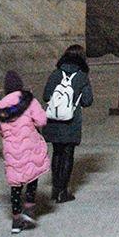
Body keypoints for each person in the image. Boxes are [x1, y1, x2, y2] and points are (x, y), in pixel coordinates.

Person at [0, 71, 50, 234]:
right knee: (32, 176)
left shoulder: (1, 106)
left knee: (15, 185)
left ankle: (16, 221)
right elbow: (42, 120)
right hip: (30, 146)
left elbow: (0, 129)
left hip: (12, 150)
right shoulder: (29, 101)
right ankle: (29, 209)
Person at [43, 44, 93, 203]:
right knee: (68, 154)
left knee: (57, 153)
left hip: (54, 120)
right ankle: (63, 191)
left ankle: (55, 189)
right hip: (71, 121)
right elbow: (87, 101)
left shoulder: (56, 73)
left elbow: (46, 96)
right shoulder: (82, 76)